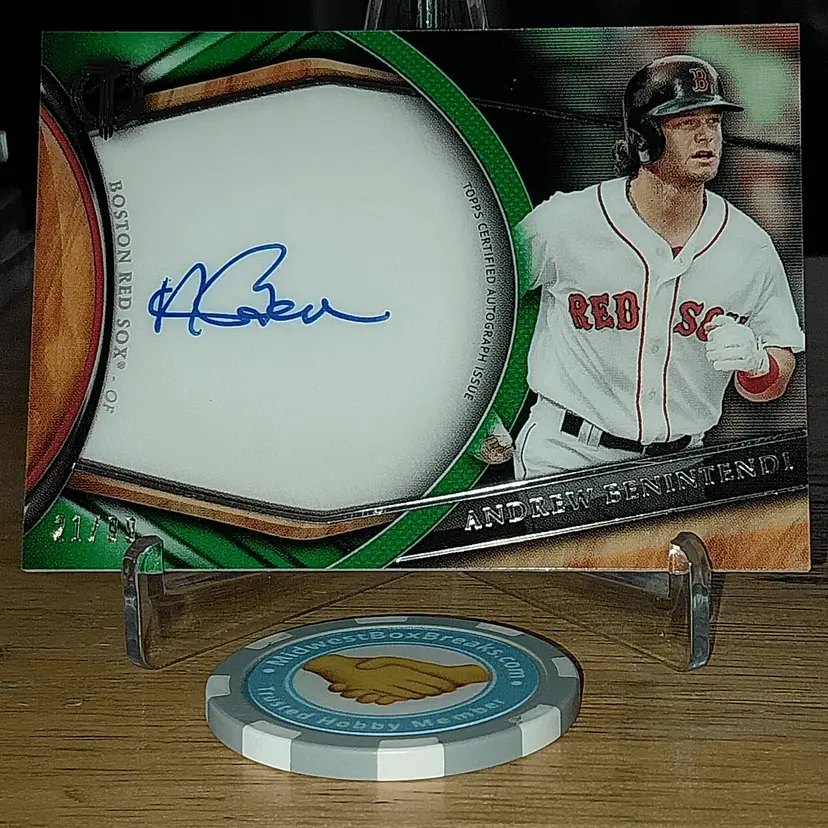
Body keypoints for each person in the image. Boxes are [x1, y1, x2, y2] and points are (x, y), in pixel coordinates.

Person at [511, 54, 805, 481]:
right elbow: (480, 297)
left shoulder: (750, 245)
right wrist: (484, 418)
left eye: (714, 122)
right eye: (687, 122)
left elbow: (778, 369)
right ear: (644, 136)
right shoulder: (564, 223)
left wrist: (759, 365)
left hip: (681, 467)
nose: (706, 136)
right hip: (565, 454)